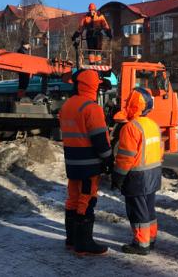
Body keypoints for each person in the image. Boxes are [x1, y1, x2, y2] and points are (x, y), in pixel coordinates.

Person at [59, 69, 114, 256]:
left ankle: (71, 240)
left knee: (72, 199)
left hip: (72, 163)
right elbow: (100, 139)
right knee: (86, 200)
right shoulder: (91, 108)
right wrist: (108, 159)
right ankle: (84, 243)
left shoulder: (67, 106)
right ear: (92, 85)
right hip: (88, 165)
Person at [112, 87, 163, 255]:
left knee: (137, 210)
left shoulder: (131, 127)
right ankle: (151, 238)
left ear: (133, 104)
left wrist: (118, 177)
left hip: (137, 177)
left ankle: (141, 244)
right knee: (149, 208)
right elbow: (160, 149)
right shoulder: (152, 125)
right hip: (153, 173)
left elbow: (126, 157)